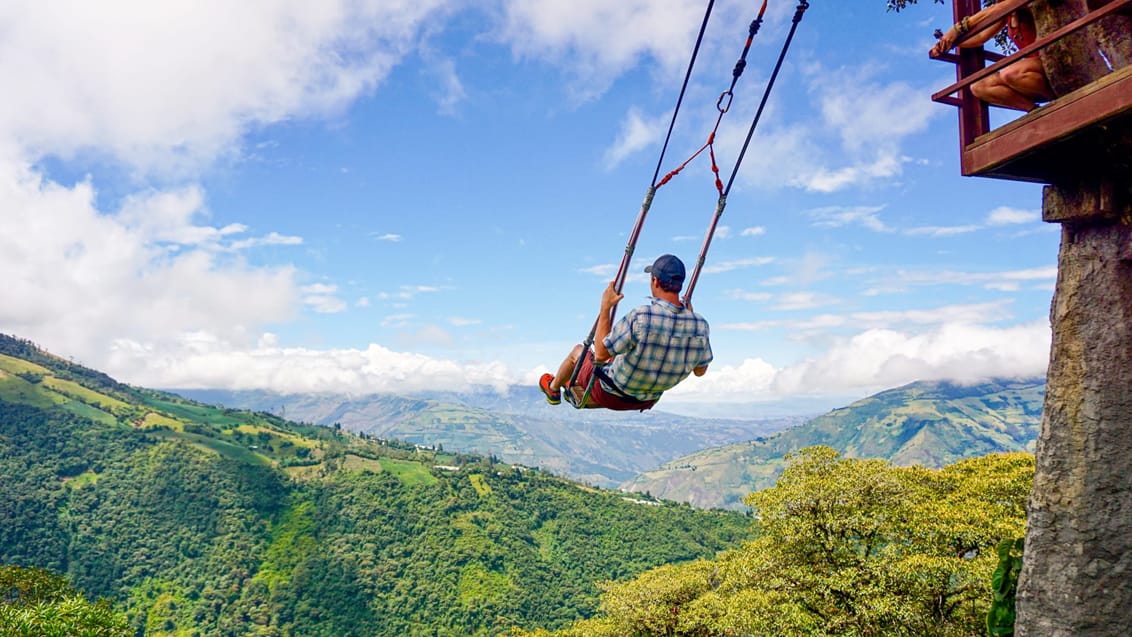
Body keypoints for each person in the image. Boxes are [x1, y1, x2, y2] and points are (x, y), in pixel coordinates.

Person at [538, 254, 713, 411]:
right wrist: (688, 318)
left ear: (655, 281)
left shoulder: (642, 316)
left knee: (578, 351)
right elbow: (700, 371)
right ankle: (571, 386)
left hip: (610, 393)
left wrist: (605, 307)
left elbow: (599, 354)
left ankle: (553, 389)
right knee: (617, 357)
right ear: (679, 285)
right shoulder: (700, 325)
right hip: (647, 400)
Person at [931, 2, 1053, 112]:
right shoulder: (1008, 14)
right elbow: (979, 38)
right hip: (1032, 77)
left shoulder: (1014, 5)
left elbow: (997, 8)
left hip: (1052, 61)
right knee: (979, 87)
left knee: (1009, 73)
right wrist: (946, 44)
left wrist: (957, 29)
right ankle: (1035, 111)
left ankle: (1056, 98)